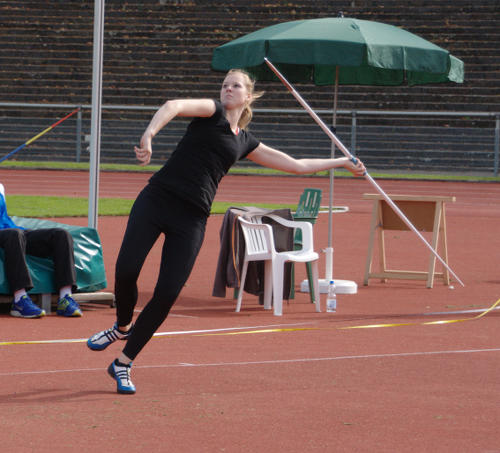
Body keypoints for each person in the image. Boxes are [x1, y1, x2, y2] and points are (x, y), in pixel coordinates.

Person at [87, 69, 366, 394]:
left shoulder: (246, 141)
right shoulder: (212, 112)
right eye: (225, 84)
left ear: (248, 96)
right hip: (157, 200)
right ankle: (122, 326)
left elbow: (296, 164)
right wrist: (149, 135)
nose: (228, 89)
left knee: (166, 294)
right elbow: (173, 105)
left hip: (191, 219)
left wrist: (341, 162)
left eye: (235, 85)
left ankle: (123, 362)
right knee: (126, 270)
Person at [0, 183, 82, 318]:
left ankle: (65, 298)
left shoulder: (0, 187)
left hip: (12, 231)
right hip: (10, 234)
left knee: (61, 235)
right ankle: (20, 301)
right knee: (14, 235)